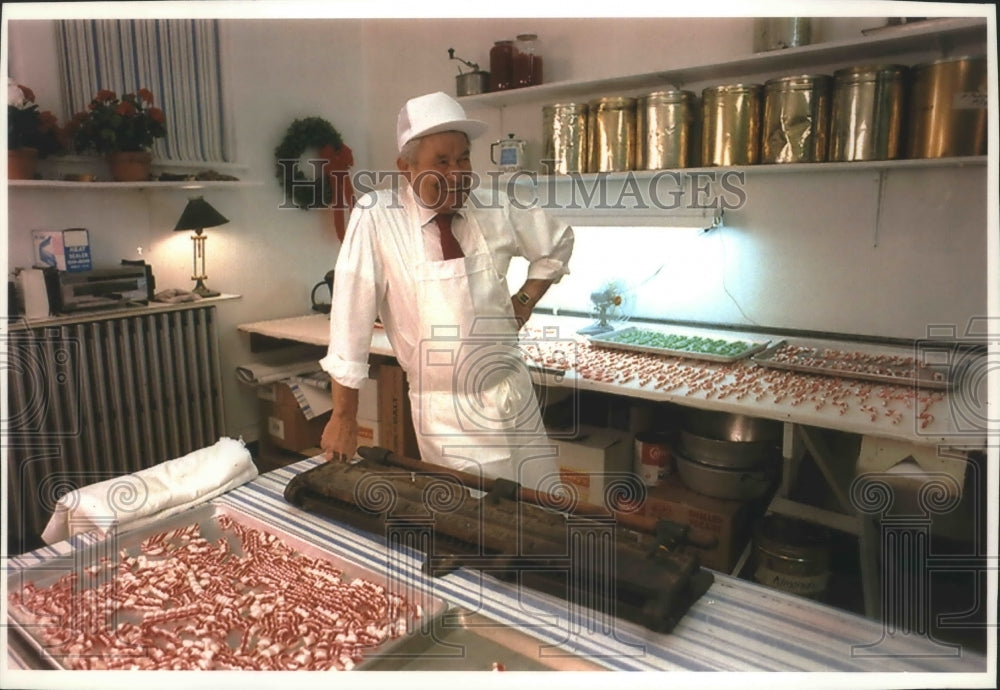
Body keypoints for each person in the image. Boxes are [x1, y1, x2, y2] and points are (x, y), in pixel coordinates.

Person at [319, 91, 574, 491]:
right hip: (448, 416)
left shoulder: (494, 207)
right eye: (442, 161)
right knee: (479, 529)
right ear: (406, 168)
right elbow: (349, 326)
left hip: (514, 395)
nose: (457, 173)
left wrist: (523, 301)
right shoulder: (378, 218)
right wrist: (344, 417)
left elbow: (556, 245)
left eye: (463, 158)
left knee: (544, 512)